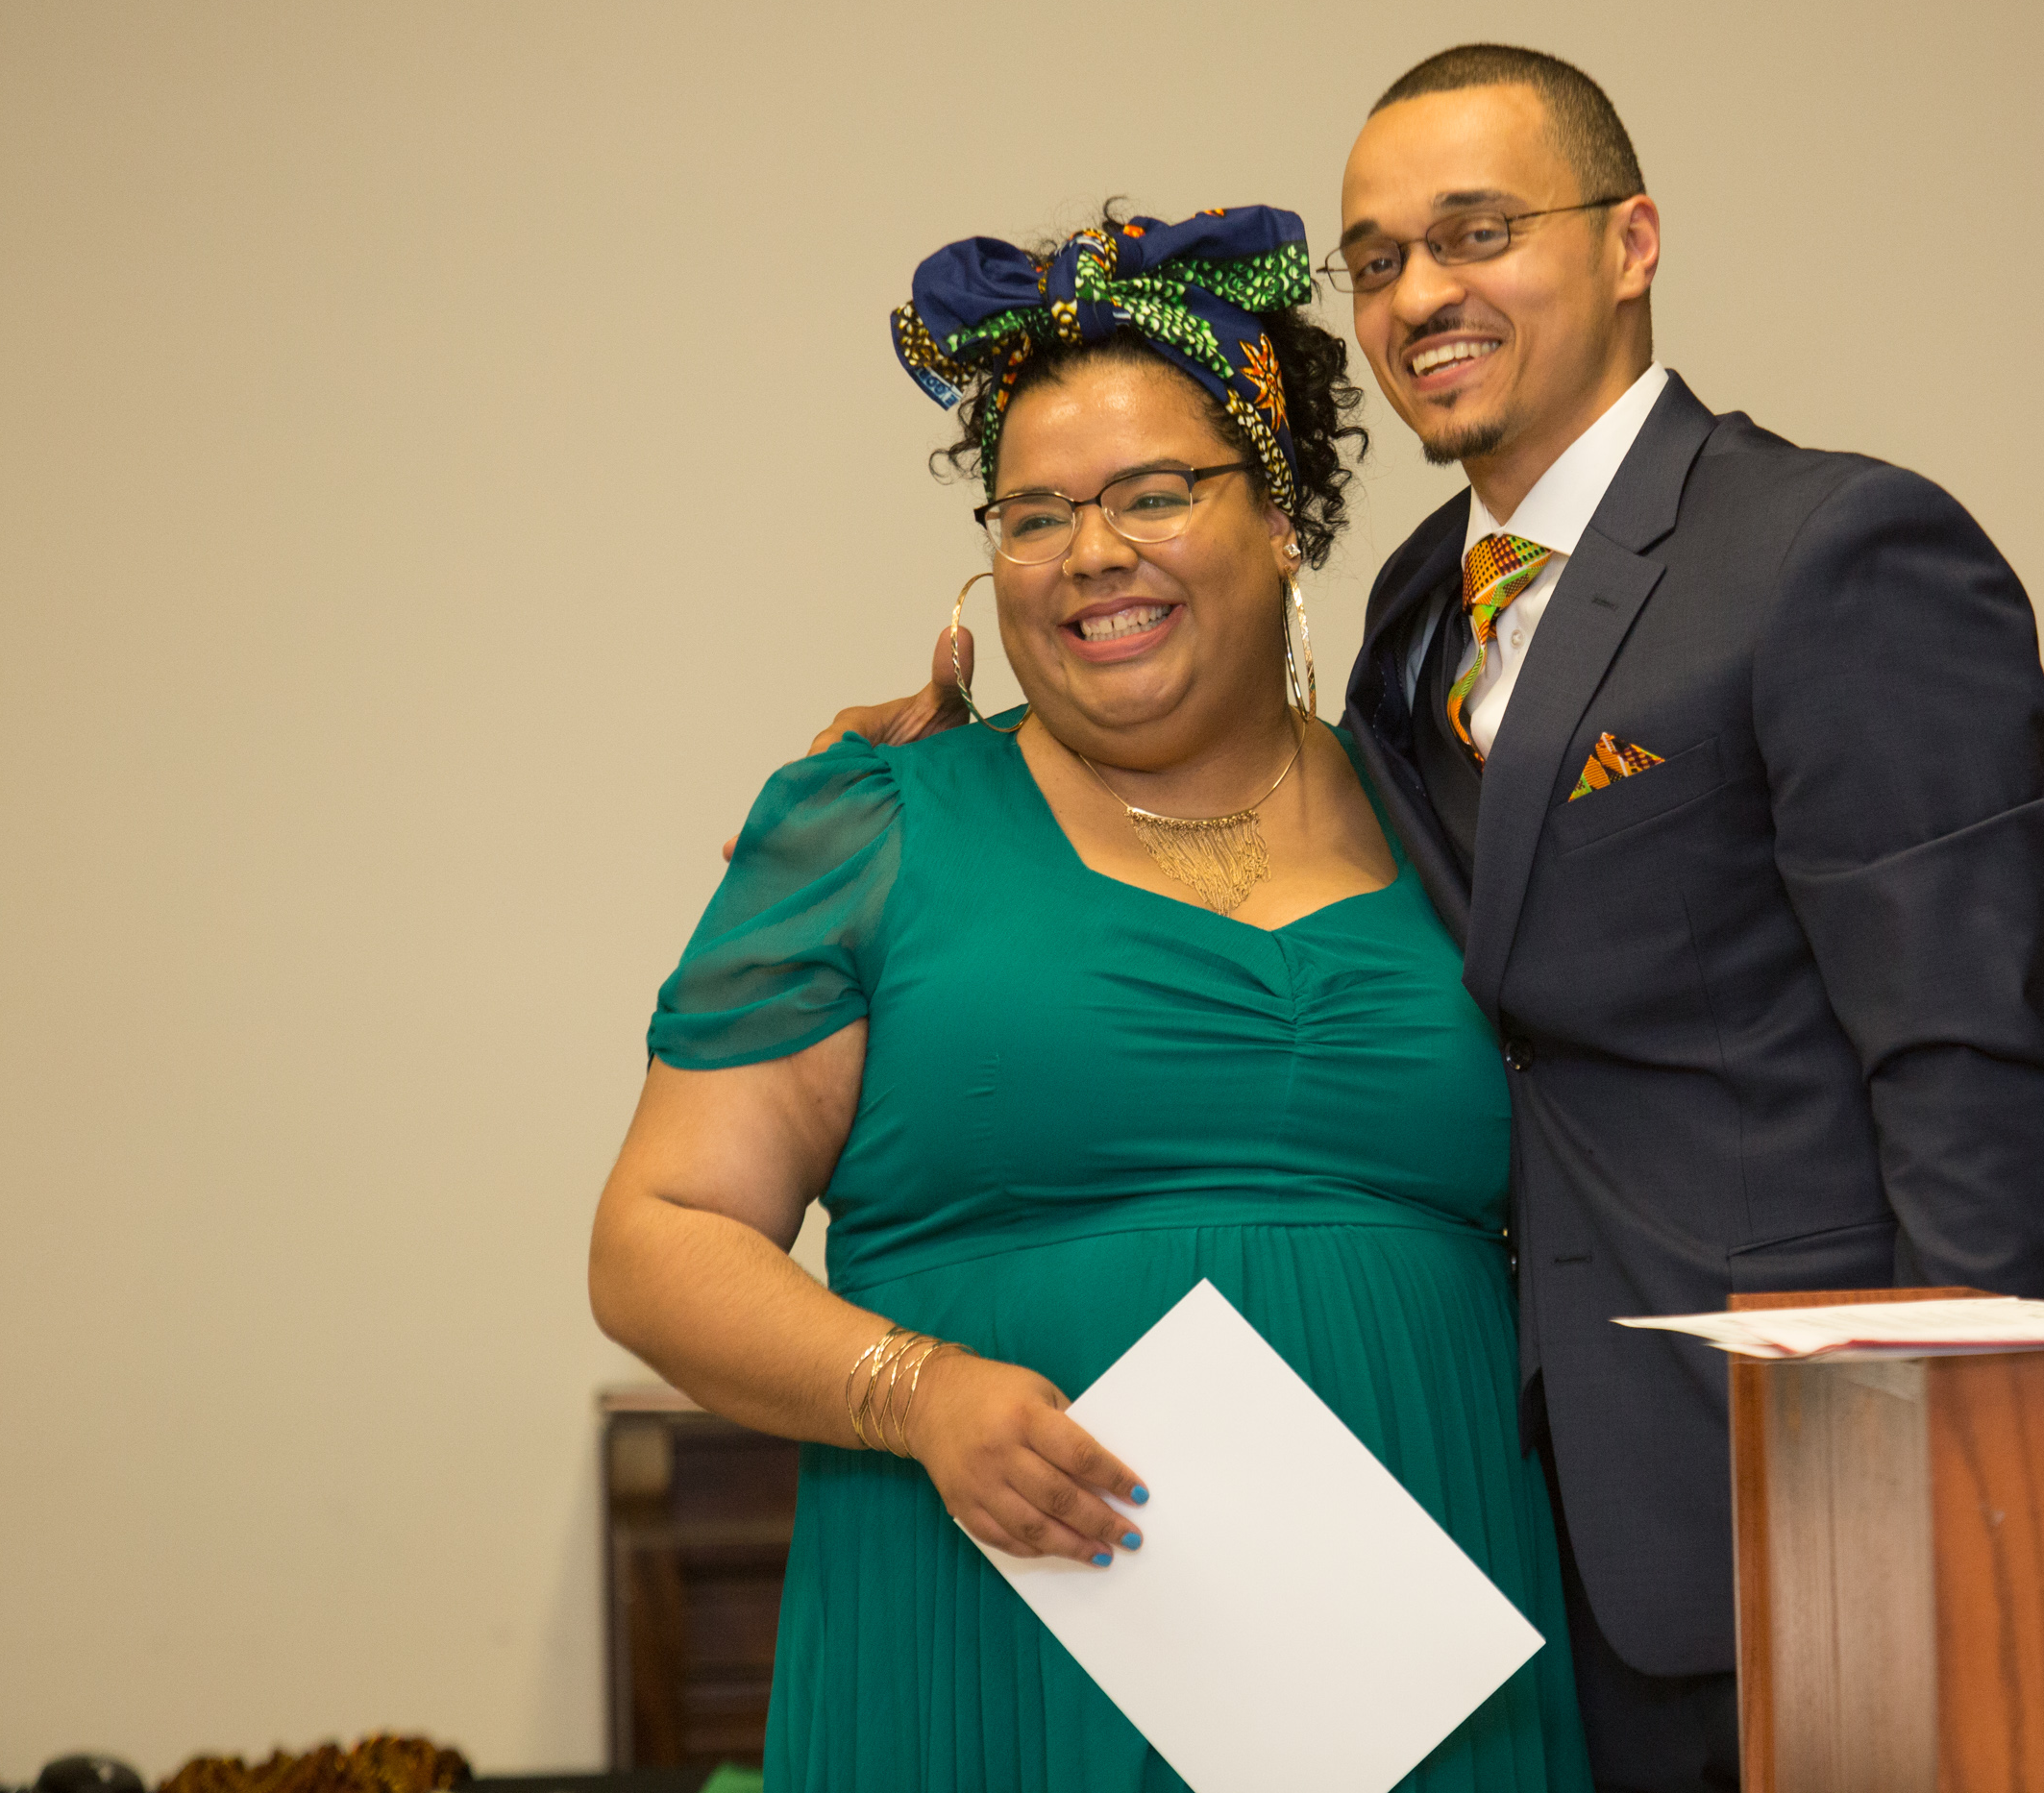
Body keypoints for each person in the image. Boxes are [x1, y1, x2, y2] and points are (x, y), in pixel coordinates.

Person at [818, 47, 2044, 1793]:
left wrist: (1997, 1507)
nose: (1421, 293)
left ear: (1631, 241)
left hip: (1828, 1504)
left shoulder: (1830, 550)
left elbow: (1976, 1069)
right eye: (1376, 259)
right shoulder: (1418, 610)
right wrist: (973, 776)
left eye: (1478, 233)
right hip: (1535, 1514)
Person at [595, 206, 1591, 1792]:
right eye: (1035, 513)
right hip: (991, 1621)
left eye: (1152, 494)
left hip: (1421, 1638)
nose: (1091, 554)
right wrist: (911, 1393)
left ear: (1281, 518)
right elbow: (655, 1242)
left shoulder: (1455, 815)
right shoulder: (869, 824)